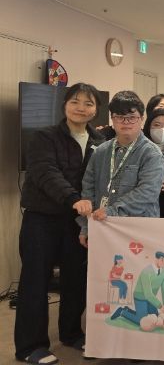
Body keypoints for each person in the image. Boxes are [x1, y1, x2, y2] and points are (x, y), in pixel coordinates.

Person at [15, 83, 104, 364]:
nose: (81, 108)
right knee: (35, 281)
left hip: (77, 221)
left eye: (88, 103)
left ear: (95, 110)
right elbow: (45, 172)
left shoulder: (100, 142)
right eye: (75, 101)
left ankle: (71, 333)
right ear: (64, 105)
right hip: (42, 219)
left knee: (75, 280)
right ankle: (30, 346)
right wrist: (73, 198)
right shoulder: (44, 137)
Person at [74, 90, 164, 244]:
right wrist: (86, 226)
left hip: (139, 230)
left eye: (131, 117)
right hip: (102, 227)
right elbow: (88, 189)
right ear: (112, 119)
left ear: (141, 119)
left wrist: (111, 211)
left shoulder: (152, 154)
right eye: (119, 117)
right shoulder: (101, 151)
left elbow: (147, 192)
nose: (125, 122)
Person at [111, 251, 164, 326]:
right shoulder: (146, 271)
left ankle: (128, 310)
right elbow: (147, 294)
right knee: (142, 321)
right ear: (156, 259)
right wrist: (161, 307)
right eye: (162, 260)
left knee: (155, 317)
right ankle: (122, 312)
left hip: (151, 299)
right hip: (140, 297)